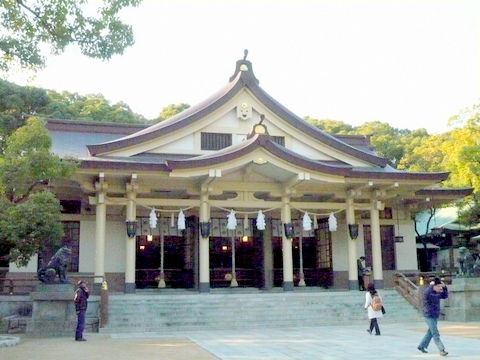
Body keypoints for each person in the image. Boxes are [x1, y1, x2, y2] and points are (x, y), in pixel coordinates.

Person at [417, 277, 449, 356]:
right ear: (434, 286)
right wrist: (431, 285)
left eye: (440, 287)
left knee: (430, 332)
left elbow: (445, 296)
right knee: (435, 332)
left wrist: (444, 287)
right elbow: (426, 293)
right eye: (438, 286)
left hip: (435, 315)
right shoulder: (428, 292)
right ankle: (442, 349)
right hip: (428, 315)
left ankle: (421, 346)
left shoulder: (437, 293)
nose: (439, 288)